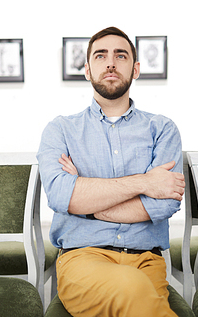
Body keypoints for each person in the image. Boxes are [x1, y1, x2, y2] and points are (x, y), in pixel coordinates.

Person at [37, 26, 184, 317]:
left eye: (121, 55)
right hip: (82, 258)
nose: (111, 62)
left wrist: (86, 198)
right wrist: (144, 182)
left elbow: (164, 202)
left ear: (136, 68)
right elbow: (61, 196)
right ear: (88, 70)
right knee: (132, 288)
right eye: (100, 55)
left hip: (147, 261)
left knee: (138, 295)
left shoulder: (163, 129)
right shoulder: (61, 130)